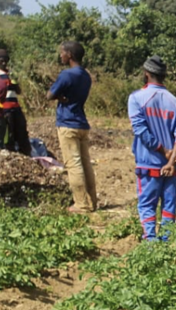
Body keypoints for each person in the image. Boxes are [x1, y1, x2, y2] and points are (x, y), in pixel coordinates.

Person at [127, 55, 176, 242]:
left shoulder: (137, 99)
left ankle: (151, 245)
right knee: (169, 206)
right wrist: (171, 160)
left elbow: (141, 132)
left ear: (146, 73)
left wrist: (162, 150)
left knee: (147, 205)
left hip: (148, 164)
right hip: (171, 168)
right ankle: (167, 243)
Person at [47, 41, 97, 213]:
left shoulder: (66, 75)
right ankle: (92, 200)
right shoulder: (85, 76)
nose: (61, 55)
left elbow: (49, 95)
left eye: (62, 52)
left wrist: (59, 97)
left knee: (73, 165)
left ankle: (81, 204)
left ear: (70, 55)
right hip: (82, 123)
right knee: (85, 164)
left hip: (67, 124)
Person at [0, 49, 31, 156]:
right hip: (4, 108)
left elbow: (18, 91)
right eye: (1, 61)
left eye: (6, 61)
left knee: (21, 128)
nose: (4, 63)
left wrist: (14, 84)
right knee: (9, 133)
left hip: (15, 107)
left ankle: (25, 152)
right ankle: (11, 152)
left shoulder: (10, 74)